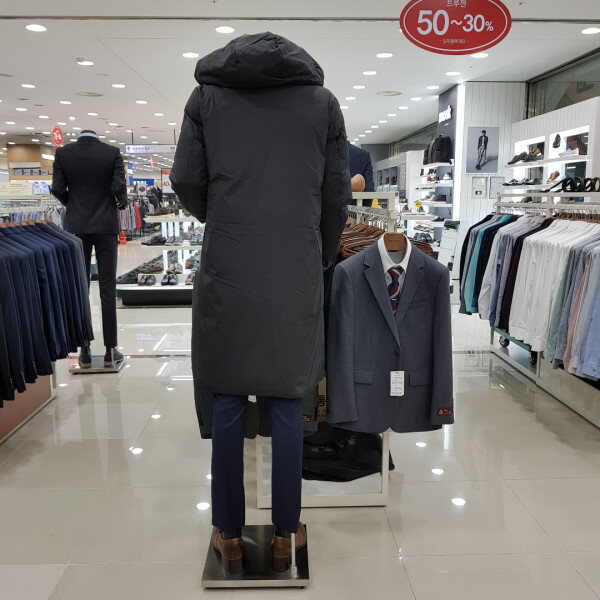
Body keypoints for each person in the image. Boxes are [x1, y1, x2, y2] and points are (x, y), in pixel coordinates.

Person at [170, 32, 350, 574]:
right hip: (294, 262)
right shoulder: (322, 104)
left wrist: (222, 215)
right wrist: (318, 252)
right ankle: (285, 535)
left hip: (229, 258)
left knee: (227, 394)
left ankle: (228, 533)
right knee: (288, 396)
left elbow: (185, 179)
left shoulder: (206, 98)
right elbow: (335, 195)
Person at [51, 129, 127, 367]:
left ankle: (84, 350)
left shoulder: (63, 153)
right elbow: (118, 186)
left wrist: (72, 203)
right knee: (107, 287)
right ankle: (110, 350)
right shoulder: (111, 153)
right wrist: (121, 201)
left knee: (81, 286)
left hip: (78, 225)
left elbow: (57, 188)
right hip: (106, 225)